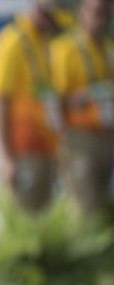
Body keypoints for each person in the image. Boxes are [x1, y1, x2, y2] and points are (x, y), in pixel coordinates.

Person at [0, 0, 64, 213]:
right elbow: (0, 99)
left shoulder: (44, 43)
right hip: (22, 153)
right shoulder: (13, 41)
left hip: (46, 151)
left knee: (42, 223)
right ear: (40, 12)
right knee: (21, 221)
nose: (54, 26)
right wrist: (7, 156)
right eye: (52, 20)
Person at [51, 0, 114, 216]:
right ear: (82, 13)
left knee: (102, 208)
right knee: (84, 208)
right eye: (95, 12)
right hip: (79, 140)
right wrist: (88, 96)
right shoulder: (65, 49)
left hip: (107, 138)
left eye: (105, 14)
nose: (100, 20)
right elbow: (56, 100)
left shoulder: (109, 50)